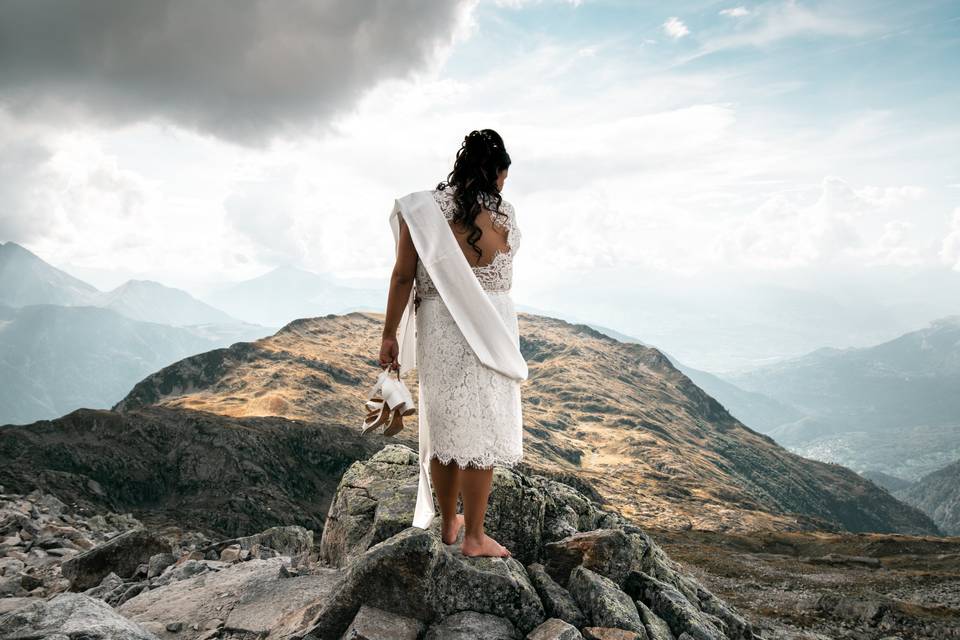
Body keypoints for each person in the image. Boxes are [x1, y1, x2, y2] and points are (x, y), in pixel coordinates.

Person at [379, 129, 525, 558]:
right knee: (482, 427)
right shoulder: (506, 216)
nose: (503, 185)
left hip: (441, 327)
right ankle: (475, 537)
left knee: (444, 425)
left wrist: (390, 334)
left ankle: (448, 524)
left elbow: (403, 276)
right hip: (492, 327)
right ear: (495, 173)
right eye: (502, 176)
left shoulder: (422, 210)